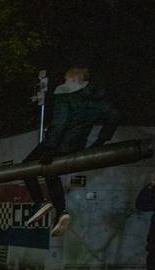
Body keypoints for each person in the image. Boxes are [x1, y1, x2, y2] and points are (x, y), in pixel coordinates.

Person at [24, 66, 119, 236]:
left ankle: (39, 202)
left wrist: (49, 147)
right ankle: (61, 212)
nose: (64, 82)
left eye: (66, 79)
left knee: (26, 167)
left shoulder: (65, 95)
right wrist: (101, 140)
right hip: (76, 146)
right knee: (51, 173)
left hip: (57, 144)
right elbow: (114, 115)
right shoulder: (94, 100)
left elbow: (59, 123)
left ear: (74, 79)